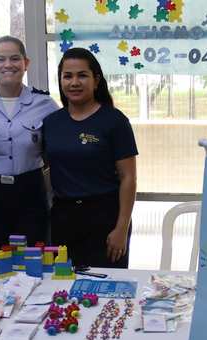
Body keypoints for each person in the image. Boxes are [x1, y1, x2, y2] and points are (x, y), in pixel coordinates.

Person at [0, 36, 58, 273]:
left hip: (31, 191)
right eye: (0, 59)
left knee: (35, 261)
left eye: (15, 58)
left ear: (26, 63)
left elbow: (56, 149)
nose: (8, 65)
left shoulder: (45, 104)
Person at [43, 48, 138, 268]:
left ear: (96, 81)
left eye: (82, 75)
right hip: (63, 219)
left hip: (106, 218)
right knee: (63, 283)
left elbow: (129, 178)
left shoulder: (115, 121)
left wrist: (122, 228)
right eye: (68, 76)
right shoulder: (51, 122)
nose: (74, 82)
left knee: (107, 283)